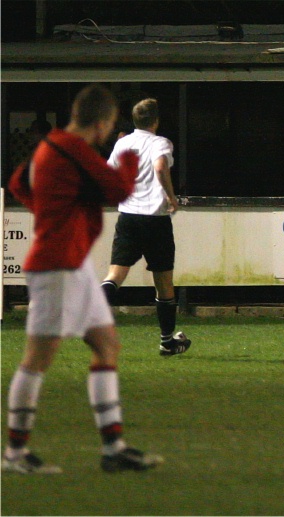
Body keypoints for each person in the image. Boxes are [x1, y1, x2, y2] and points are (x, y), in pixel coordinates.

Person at [3, 84, 163, 474]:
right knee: (38, 358)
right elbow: (119, 188)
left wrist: (55, 208)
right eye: (111, 127)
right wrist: (126, 154)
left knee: (107, 344)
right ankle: (14, 453)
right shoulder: (74, 149)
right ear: (103, 122)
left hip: (70, 264)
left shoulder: (49, 146)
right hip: (56, 265)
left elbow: (18, 184)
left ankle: (113, 448)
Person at [100, 98, 191, 358]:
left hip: (128, 216)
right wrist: (171, 197)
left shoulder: (122, 143)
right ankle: (167, 342)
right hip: (155, 218)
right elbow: (161, 166)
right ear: (156, 120)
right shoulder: (160, 143)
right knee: (163, 283)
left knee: (115, 275)